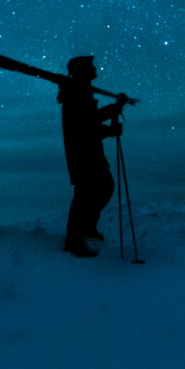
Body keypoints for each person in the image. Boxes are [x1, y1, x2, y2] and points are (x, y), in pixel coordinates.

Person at [58, 55, 126, 257]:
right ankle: (75, 240)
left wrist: (110, 125)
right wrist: (114, 109)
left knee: (99, 190)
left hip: (88, 153)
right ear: (82, 70)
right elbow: (87, 124)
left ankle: (85, 230)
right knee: (88, 195)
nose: (95, 68)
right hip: (84, 156)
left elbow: (89, 126)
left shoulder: (79, 92)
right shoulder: (76, 93)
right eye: (91, 66)